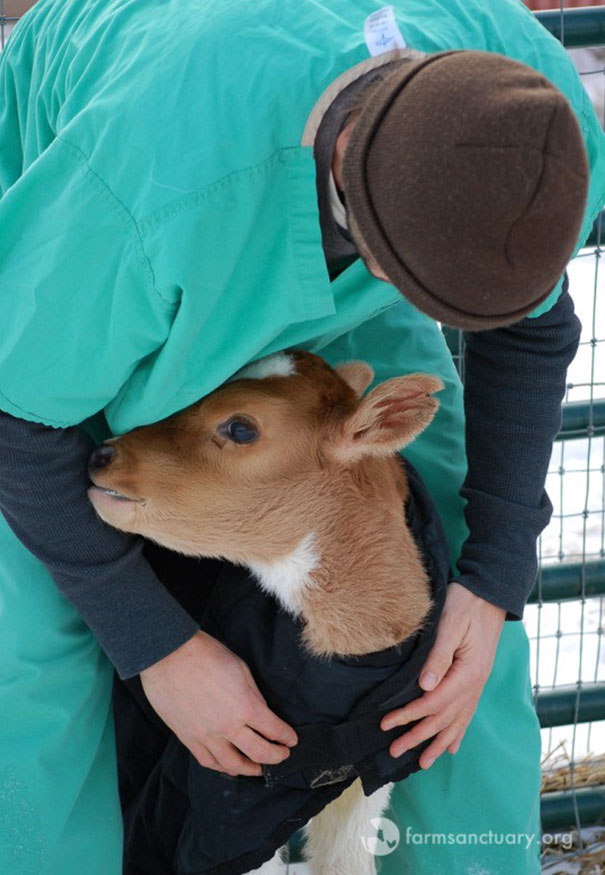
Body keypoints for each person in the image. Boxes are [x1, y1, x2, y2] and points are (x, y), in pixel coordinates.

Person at [0, 1, 603, 873]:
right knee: (35, 649)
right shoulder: (139, 189)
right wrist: (156, 646)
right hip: (122, 229)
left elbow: (533, 323)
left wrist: (495, 574)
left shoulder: (533, 105)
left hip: (353, 226)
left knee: (447, 596)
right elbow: (18, 418)